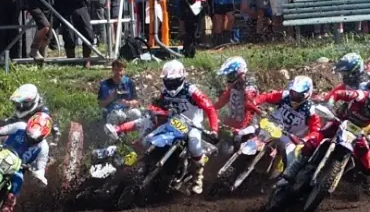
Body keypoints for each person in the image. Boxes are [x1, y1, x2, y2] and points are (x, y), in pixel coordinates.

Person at [294, 85, 370, 203]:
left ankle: (369, 186)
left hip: (358, 134)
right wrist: (330, 104)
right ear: (369, 98)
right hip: (339, 123)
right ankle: (294, 167)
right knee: (314, 140)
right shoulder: (359, 95)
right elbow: (338, 93)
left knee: (369, 164)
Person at [151, 60, 219, 194]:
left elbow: (210, 108)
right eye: (168, 81)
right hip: (174, 123)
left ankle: (197, 179)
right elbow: (159, 106)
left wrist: (214, 129)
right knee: (150, 136)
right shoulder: (164, 91)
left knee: (194, 146)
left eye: (174, 81)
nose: (171, 84)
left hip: (192, 124)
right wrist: (155, 110)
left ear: (182, 78)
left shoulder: (191, 91)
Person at [255, 75, 322, 175]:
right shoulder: (285, 95)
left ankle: (282, 179)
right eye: (293, 93)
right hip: (272, 126)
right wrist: (255, 101)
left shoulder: (311, 111)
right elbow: (267, 96)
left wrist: (306, 139)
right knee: (247, 132)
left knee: (291, 156)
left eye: (298, 95)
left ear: (307, 94)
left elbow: (316, 130)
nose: (294, 97)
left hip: (289, 137)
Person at [214, 57, 262, 146]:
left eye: (231, 75)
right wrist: (209, 109)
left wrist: (238, 130)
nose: (228, 78)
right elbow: (221, 102)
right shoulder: (234, 86)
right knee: (216, 135)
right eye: (228, 75)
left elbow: (249, 104)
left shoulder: (249, 87)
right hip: (233, 122)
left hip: (249, 126)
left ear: (240, 72)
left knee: (235, 142)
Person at [98, 59, 141, 125]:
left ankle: (129, 129)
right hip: (111, 112)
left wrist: (128, 103)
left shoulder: (129, 82)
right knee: (118, 115)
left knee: (137, 114)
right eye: (116, 70)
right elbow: (100, 104)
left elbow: (136, 101)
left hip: (126, 110)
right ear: (112, 70)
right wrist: (110, 98)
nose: (118, 73)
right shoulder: (105, 84)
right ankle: (115, 130)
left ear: (124, 71)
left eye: (120, 70)